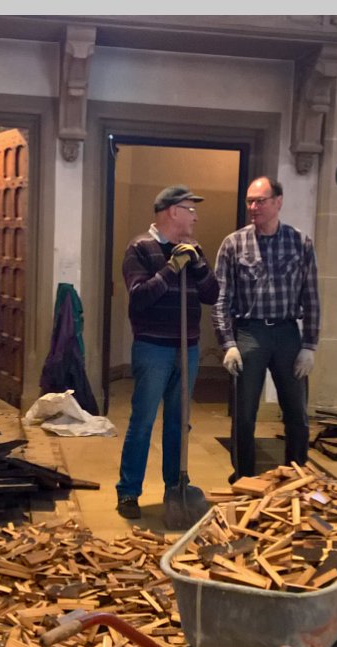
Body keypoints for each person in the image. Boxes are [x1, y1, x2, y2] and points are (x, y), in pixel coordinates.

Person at [115, 185, 219, 519]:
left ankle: (175, 487)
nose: (195, 216)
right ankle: (128, 492)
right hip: (153, 349)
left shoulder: (193, 249)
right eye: (190, 209)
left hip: (187, 348)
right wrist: (171, 268)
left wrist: (198, 264)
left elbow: (212, 295)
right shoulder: (140, 248)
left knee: (179, 423)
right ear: (173, 211)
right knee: (143, 421)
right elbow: (140, 297)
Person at [213, 176, 320, 482]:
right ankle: (244, 477)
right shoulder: (234, 244)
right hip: (250, 332)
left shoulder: (300, 242)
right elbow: (221, 298)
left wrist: (309, 345)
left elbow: (311, 296)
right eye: (250, 201)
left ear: (278, 202)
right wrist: (228, 343)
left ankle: (295, 477)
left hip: (287, 333)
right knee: (244, 414)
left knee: (296, 413)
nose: (253, 207)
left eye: (260, 201)